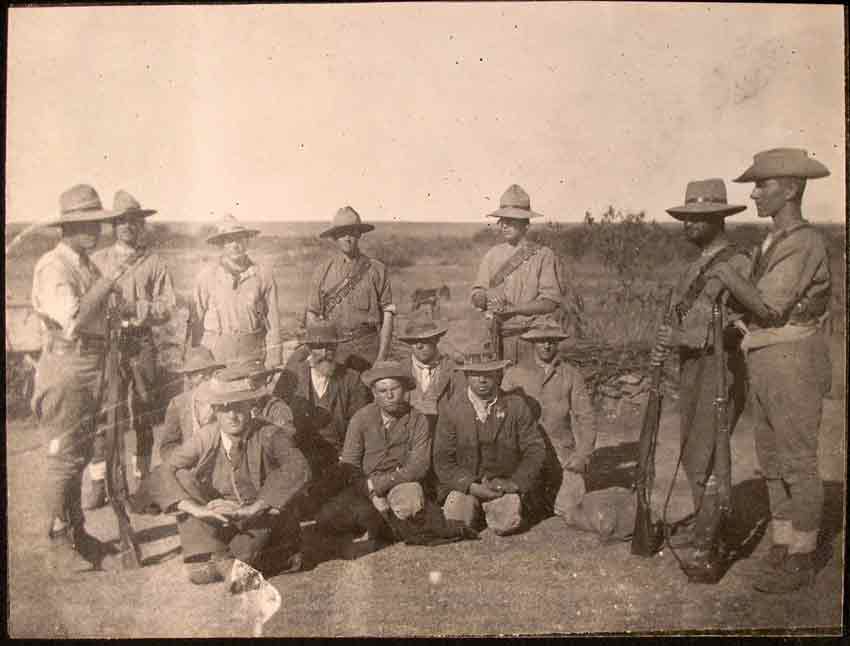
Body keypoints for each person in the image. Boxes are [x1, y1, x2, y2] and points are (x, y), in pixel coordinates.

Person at [706, 149, 832, 593]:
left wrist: (724, 272)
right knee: (772, 458)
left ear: (791, 189)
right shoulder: (772, 242)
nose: (755, 193)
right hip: (765, 356)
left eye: (763, 185)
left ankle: (802, 554)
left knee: (796, 458)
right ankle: (782, 542)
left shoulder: (803, 242)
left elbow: (771, 306)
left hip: (792, 359)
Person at [31, 184, 143, 574]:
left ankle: (77, 530)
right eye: (85, 224)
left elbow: (106, 308)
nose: (94, 230)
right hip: (67, 366)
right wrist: (109, 280)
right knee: (63, 456)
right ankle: (55, 536)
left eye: (97, 222)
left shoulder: (85, 263)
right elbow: (74, 320)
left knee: (80, 454)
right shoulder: (54, 266)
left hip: (93, 366)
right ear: (67, 227)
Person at [649, 178, 750, 573]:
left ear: (718, 219)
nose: (688, 224)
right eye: (686, 218)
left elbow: (739, 323)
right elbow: (678, 316)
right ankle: (707, 524)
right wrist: (666, 339)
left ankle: (711, 539)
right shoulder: (693, 265)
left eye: (698, 218)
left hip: (719, 367)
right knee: (694, 452)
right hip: (691, 367)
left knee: (709, 453)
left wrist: (683, 336)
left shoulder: (736, 262)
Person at [144, 367, 310, 585]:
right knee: (199, 574)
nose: (232, 415)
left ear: (250, 406)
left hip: (264, 517)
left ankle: (272, 556)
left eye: (238, 406)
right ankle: (217, 556)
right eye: (224, 408)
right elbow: (162, 471)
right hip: (224, 518)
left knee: (237, 567)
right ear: (215, 410)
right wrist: (198, 510)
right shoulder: (207, 436)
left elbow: (298, 466)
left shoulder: (268, 433)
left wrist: (256, 507)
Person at [83, 190, 177, 510]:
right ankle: (99, 481)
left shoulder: (153, 262)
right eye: (120, 221)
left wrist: (136, 307)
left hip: (141, 343)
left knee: (144, 411)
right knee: (103, 414)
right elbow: (83, 306)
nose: (126, 226)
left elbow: (168, 306)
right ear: (113, 225)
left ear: (141, 224)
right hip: (108, 345)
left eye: (132, 221)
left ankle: (143, 481)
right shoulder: (96, 262)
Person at [433, 341, 547, 536]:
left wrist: (515, 483)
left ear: (498, 375)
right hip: (468, 486)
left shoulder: (516, 406)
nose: (482, 380)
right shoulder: (452, 410)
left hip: (503, 485)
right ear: (467, 376)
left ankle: (497, 510)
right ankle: (475, 509)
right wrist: (470, 486)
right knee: (456, 523)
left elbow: (535, 450)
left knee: (506, 524)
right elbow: (442, 459)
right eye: (476, 374)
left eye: (488, 374)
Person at [316, 361, 430, 546]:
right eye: (383, 391)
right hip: (364, 486)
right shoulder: (361, 418)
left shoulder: (418, 419)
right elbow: (349, 465)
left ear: (405, 390)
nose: (390, 395)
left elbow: (419, 466)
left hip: (400, 483)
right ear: (374, 394)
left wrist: (379, 484)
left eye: (395, 389)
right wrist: (371, 494)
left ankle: (385, 525)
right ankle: (381, 524)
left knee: (409, 503)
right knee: (327, 518)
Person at [274, 321, 370, 515]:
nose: (326, 352)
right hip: (303, 455)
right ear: (309, 349)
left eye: (330, 347)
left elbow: (359, 422)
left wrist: (347, 456)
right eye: (319, 347)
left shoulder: (352, 379)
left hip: (340, 456)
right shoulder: (292, 378)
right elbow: (277, 413)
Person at [501, 324, 596, 517]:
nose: (546, 345)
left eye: (551, 341)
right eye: (541, 341)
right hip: (525, 453)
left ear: (558, 343)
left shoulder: (571, 374)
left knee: (569, 508)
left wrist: (582, 455)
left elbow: (586, 417)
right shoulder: (514, 374)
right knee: (519, 509)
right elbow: (501, 418)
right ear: (532, 343)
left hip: (562, 453)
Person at [471, 184, 563, 365]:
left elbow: (550, 302)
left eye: (511, 220)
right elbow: (477, 294)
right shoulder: (492, 255)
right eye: (502, 220)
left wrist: (513, 309)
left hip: (533, 339)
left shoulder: (543, 255)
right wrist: (485, 297)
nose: (504, 225)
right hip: (498, 338)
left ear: (526, 224)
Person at [305, 206, 396, 373]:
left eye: (352, 232)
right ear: (334, 237)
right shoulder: (322, 271)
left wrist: (381, 357)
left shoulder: (377, 270)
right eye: (342, 233)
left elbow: (388, 316)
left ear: (359, 234)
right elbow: (312, 314)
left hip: (368, 351)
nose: (347, 238)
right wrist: (318, 352)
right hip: (334, 351)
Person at [191, 214, 282, 369]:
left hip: (252, 355)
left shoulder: (262, 275)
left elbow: (273, 322)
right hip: (215, 356)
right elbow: (195, 322)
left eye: (240, 239)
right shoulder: (206, 277)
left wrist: (274, 358)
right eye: (229, 240)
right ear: (221, 245)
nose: (235, 244)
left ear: (247, 242)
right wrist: (195, 359)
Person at [158, 347, 225, 462]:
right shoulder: (179, 404)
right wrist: (182, 462)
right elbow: (167, 447)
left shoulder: (225, 399)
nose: (203, 377)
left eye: (208, 372)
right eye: (196, 373)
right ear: (189, 378)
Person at [396, 315, 458, 426]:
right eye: (413, 341)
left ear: (436, 339)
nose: (419, 346)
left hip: (443, 431)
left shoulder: (452, 369)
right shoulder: (400, 370)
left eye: (424, 340)